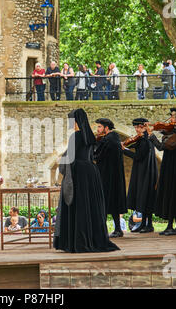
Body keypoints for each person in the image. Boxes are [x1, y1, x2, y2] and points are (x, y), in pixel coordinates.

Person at [54, 108, 119, 253]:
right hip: (91, 173)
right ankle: (92, 239)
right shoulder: (90, 136)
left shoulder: (76, 136)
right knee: (89, 206)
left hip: (79, 173)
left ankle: (77, 242)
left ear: (76, 121)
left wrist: (61, 160)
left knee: (79, 206)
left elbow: (69, 158)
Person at [147, 108, 176, 236]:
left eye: (173, 117)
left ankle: (171, 227)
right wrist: (160, 130)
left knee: (172, 195)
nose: (171, 120)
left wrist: (152, 136)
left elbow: (163, 147)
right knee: (175, 196)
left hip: (175, 170)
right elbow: (167, 133)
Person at [122, 118, 158, 233]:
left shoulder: (147, 139)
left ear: (144, 127)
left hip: (146, 172)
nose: (137, 130)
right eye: (136, 127)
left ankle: (148, 224)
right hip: (143, 171)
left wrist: (124, 150)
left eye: (139, 127)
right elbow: (135, 145)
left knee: (146, 196)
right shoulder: (143, 138)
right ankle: (144, 224)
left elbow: (138, 156)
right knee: (143, 196)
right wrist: (126, 145)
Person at [94, 118, 127, 237]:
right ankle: (117, 229)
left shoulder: (107, 140)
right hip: (115, 177)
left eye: (99, 127)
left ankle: (102, 231)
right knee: (114, 203)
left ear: (106, 128)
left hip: (107, 177)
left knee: (103, 202)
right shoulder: (115, 138)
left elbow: (97, 156)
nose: (97, 129)